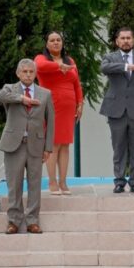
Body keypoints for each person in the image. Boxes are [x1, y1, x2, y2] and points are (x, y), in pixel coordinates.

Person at [0, 59, 55, 234]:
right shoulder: (9, 89)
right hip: (14, 145)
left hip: (36, 144)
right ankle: (13, 220)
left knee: (35, 183)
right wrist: (22, 99)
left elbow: (50, 122)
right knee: (14, 184)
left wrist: (48, 147)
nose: (28, 74)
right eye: (25, 71)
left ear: (35, 74)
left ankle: (32, 220)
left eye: (31, 72)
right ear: (18, 73)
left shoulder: (45, 93)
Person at [99, 27, 134, 193]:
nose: (125, 41)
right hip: (116, 110)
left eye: (128, 38)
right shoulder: (110, 58)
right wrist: (127, 67)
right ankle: (119, 181)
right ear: (117, 41)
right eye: (122, 38)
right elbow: (104, 69)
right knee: (119, 147)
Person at [34, 31, 83, 195]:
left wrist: (80, 103)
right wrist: (58, 66)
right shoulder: (41, 59)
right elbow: (39, 67)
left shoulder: (70, 60)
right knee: (53, 144)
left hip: (69, 107)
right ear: (47, 44)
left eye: (58, 40)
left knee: (65, 145)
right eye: (52, 40)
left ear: (62, 43)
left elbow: (76, 83)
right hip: (51, 106)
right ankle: (52, 182)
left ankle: (63, 181)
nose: (55, 43)